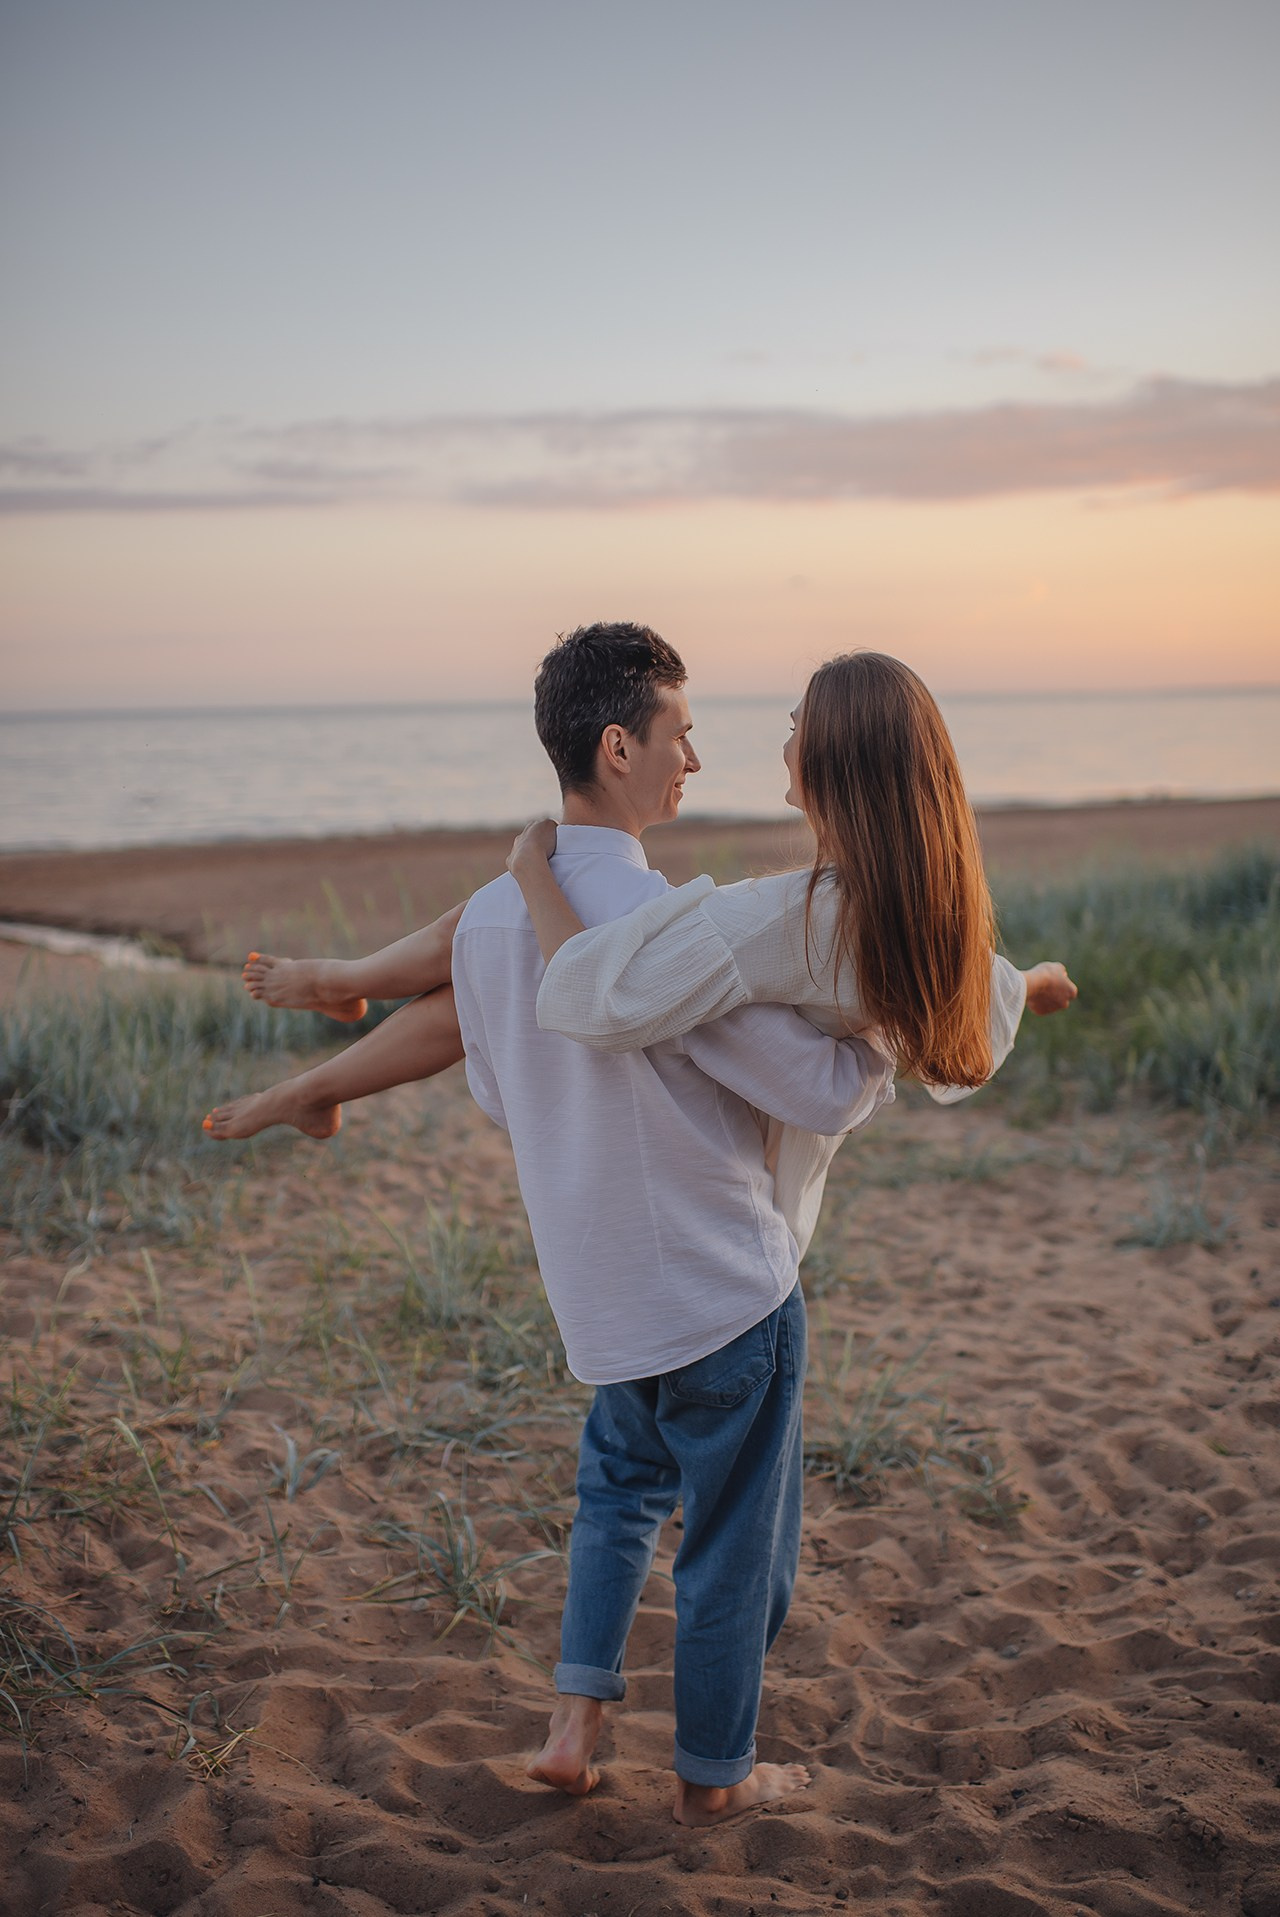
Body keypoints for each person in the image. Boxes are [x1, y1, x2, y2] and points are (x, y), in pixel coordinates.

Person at [215, 623, 900, 1825]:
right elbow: (809, 1090)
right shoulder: (674, 932)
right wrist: (882, 1041)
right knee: (735, 1548)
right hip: (720, 1289)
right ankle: (716, 1775)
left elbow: (490, 1080)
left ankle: (573, 1727)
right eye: (680, 735)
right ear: (619, 746)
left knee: (617, 1495)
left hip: (601, 1296)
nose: (694, 759)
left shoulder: (493, 918)